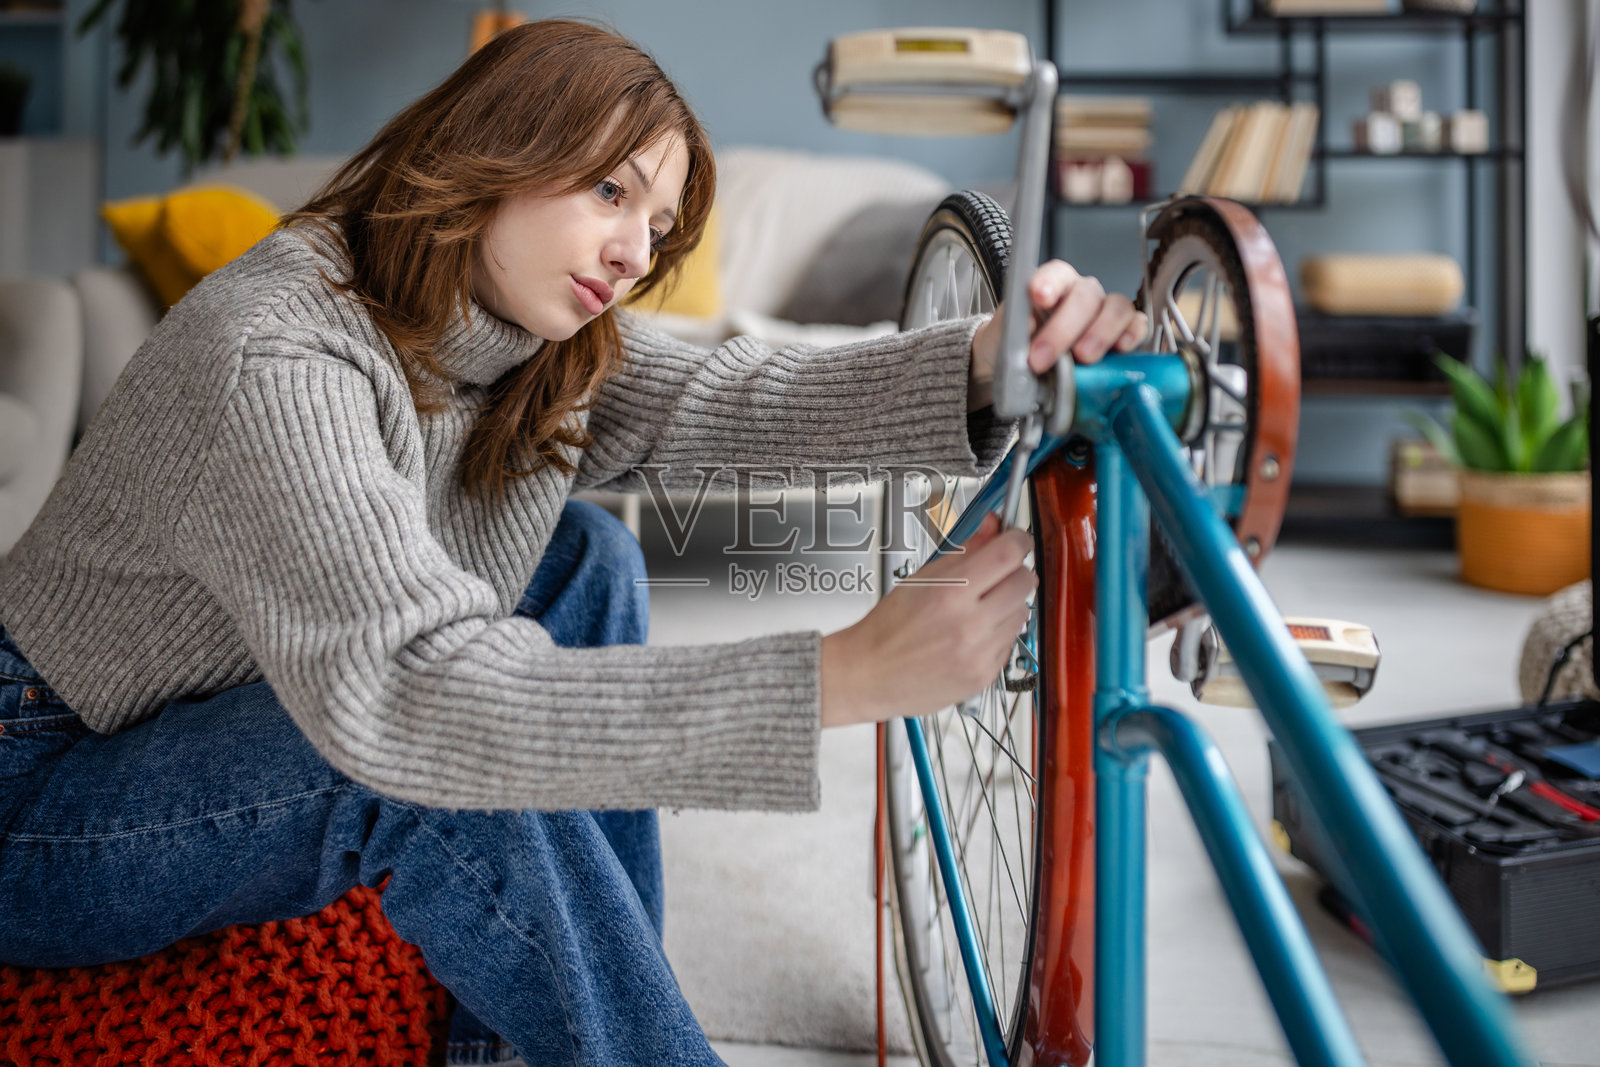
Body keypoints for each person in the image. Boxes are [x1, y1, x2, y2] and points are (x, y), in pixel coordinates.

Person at [0, 19, 1144, 1067]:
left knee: (584, 558)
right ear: (494, 145)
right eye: (610, 191)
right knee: (446, 755)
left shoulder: (519, 335)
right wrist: (835, 676)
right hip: (44, 793)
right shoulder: (277, 354)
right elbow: (416, 698)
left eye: (657, 228)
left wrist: (980, 362)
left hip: (212, 707)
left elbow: (733, 397)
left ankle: (549, 1026)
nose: (634, 251)